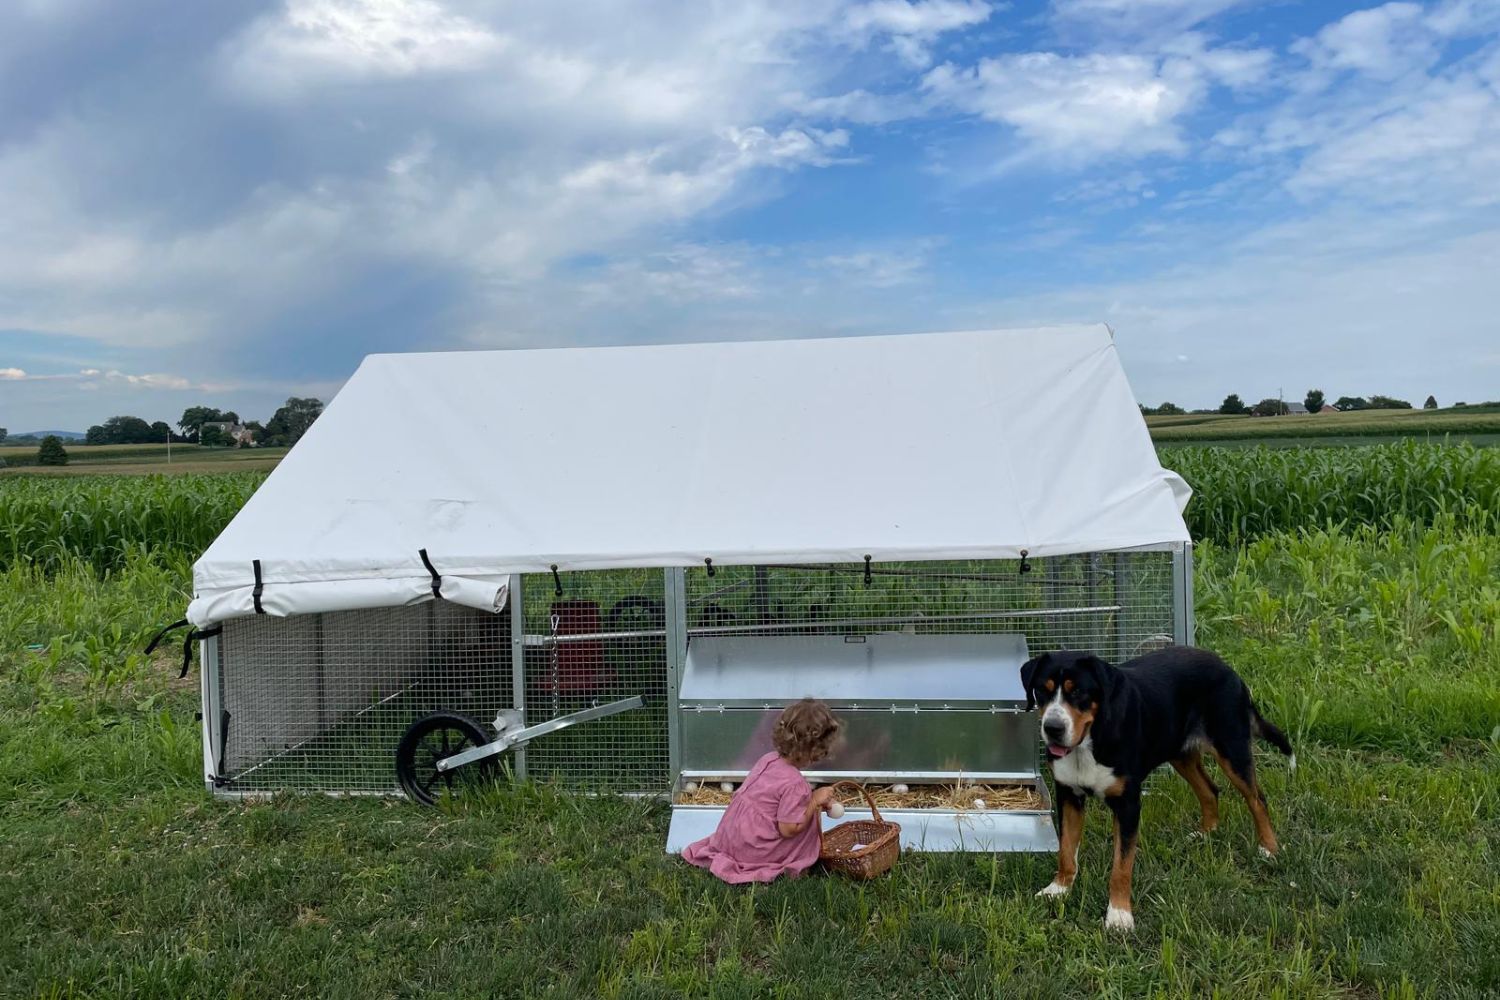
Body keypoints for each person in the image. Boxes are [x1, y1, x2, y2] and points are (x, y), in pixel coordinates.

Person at [682, 698, 842, 884]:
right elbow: (788, 829)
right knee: (803, 823)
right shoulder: (796, 785)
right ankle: (776, 859)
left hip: (732, 838)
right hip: (754, 848)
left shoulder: (768, 759)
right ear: (815, 750)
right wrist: (814, 801)